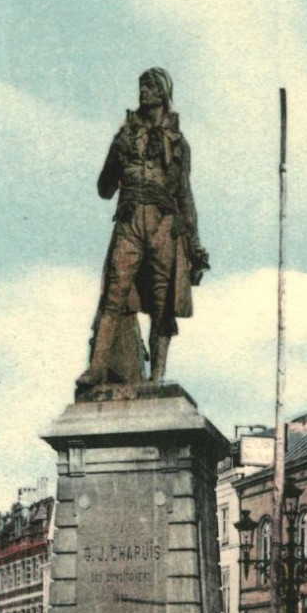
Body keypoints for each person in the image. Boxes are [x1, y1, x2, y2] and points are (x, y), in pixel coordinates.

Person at [77, 68, 209, 390]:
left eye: (150, 86)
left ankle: (157, 378)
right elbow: (104, 188)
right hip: (130, 219)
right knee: (114, 292)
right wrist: (117, 158)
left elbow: (184, 194)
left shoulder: (179, 144)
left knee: (163, 304)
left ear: (164, 92)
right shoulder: (124, 136)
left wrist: (194, 245)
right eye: (141, 85)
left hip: (165, 224)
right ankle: (96, 369)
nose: (143, 91)